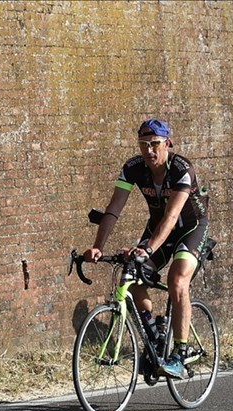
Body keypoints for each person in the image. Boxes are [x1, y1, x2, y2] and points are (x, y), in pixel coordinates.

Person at [84, 119, 210, 379]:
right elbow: (114, 209)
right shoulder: (133, 168)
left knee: (177, 280)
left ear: (167, 143)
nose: (149, 151)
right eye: (143, 145)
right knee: (131, 276)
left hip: (190, 227)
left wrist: (148, 250)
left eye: (154, 144)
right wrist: (97, 246)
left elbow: (172, 216)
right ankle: (156, 333)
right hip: (157, 229)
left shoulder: (181, 168)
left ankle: (181, 352)